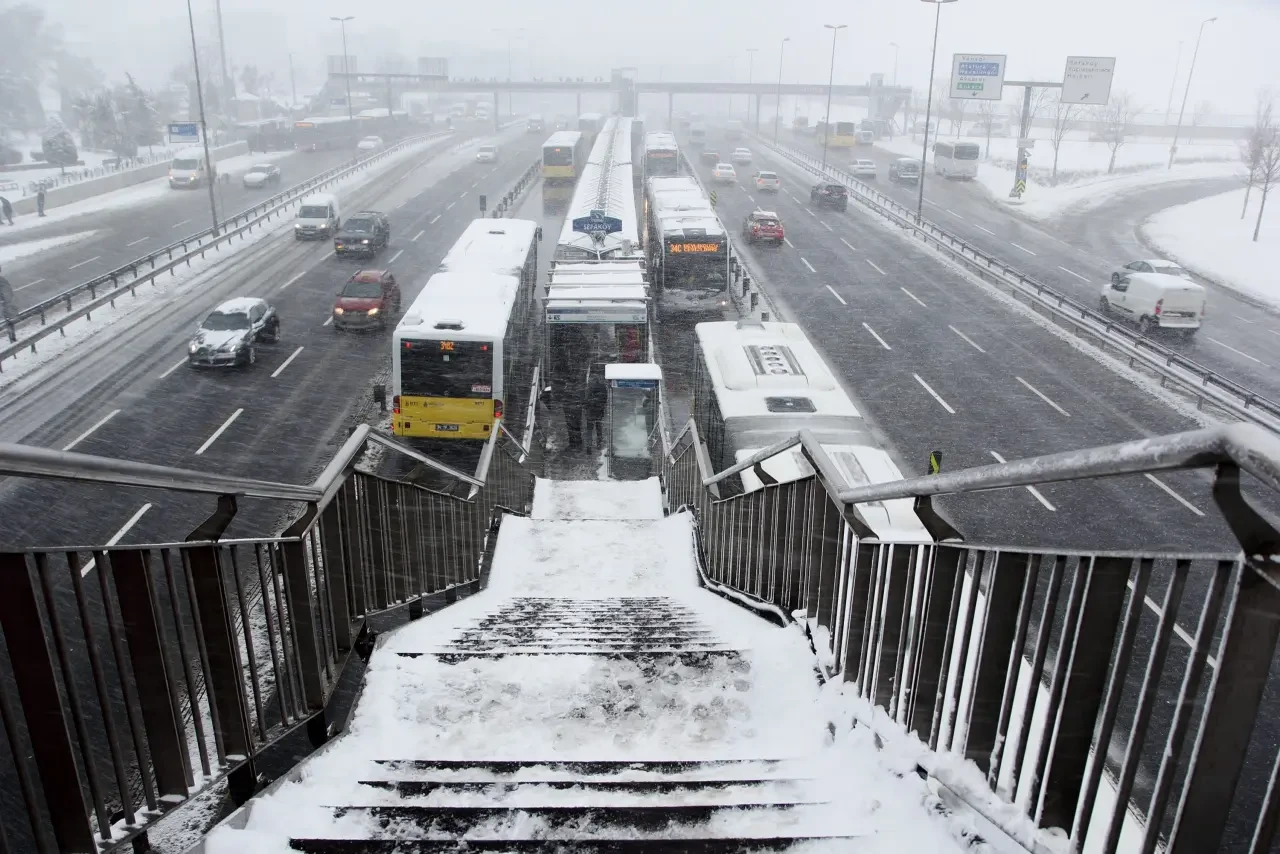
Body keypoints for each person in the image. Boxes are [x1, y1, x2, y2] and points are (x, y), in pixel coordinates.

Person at [585, 366, 608, 451]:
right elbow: (605, 399)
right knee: (599, 429)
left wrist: (587, 406)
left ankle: (589, 447)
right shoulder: (602, 387)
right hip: (599, 411)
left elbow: (586, 400)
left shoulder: (589, 387)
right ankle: (598, 445)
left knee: (589, 430)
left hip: (590, 412)